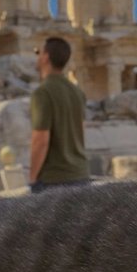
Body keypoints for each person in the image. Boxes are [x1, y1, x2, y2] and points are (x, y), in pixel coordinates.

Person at [28, 37, 91, 193]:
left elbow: (40, 140)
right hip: (81, 175)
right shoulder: (77, 92)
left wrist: (32, 177)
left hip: (55, 180)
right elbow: (81, 130)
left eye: (38, 52)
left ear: (46, 57)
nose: (37, 56)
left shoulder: (42, 93)